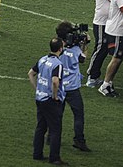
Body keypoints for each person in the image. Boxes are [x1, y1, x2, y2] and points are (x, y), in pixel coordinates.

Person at [29, 38, 67, 165]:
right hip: (50, 101)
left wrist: (37, 89)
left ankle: (37, 154)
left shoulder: (43, 59)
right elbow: (55, 81)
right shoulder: (58, 64)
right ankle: (54, 158)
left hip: (40, 98)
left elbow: (30, 73)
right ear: (60, 49)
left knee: (41, 127)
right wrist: (55, 96)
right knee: (55, 130)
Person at [55, 22, 91, 152]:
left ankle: (51, 136)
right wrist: (84, 45)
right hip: (72, 88)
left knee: (57, 114)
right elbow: (83, 59)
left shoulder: (56, 47)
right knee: (78, 114)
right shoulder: (75, 50)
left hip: (59, 86)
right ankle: (79, 140)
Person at [87, 0, 116, 88]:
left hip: (109, 23)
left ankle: (95, 74)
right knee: (100, 48)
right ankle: (91, 75)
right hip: (100, 23)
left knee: (105, 49)